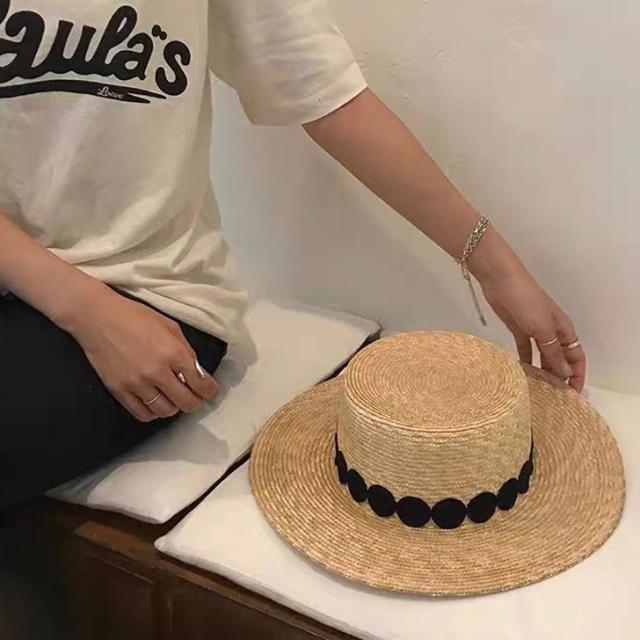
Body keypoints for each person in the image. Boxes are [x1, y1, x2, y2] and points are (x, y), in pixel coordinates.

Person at [0, 0, 585, 515]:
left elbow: (328, 96)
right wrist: (83, 309)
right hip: (66, 300)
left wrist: (496, 266)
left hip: (143, 293)